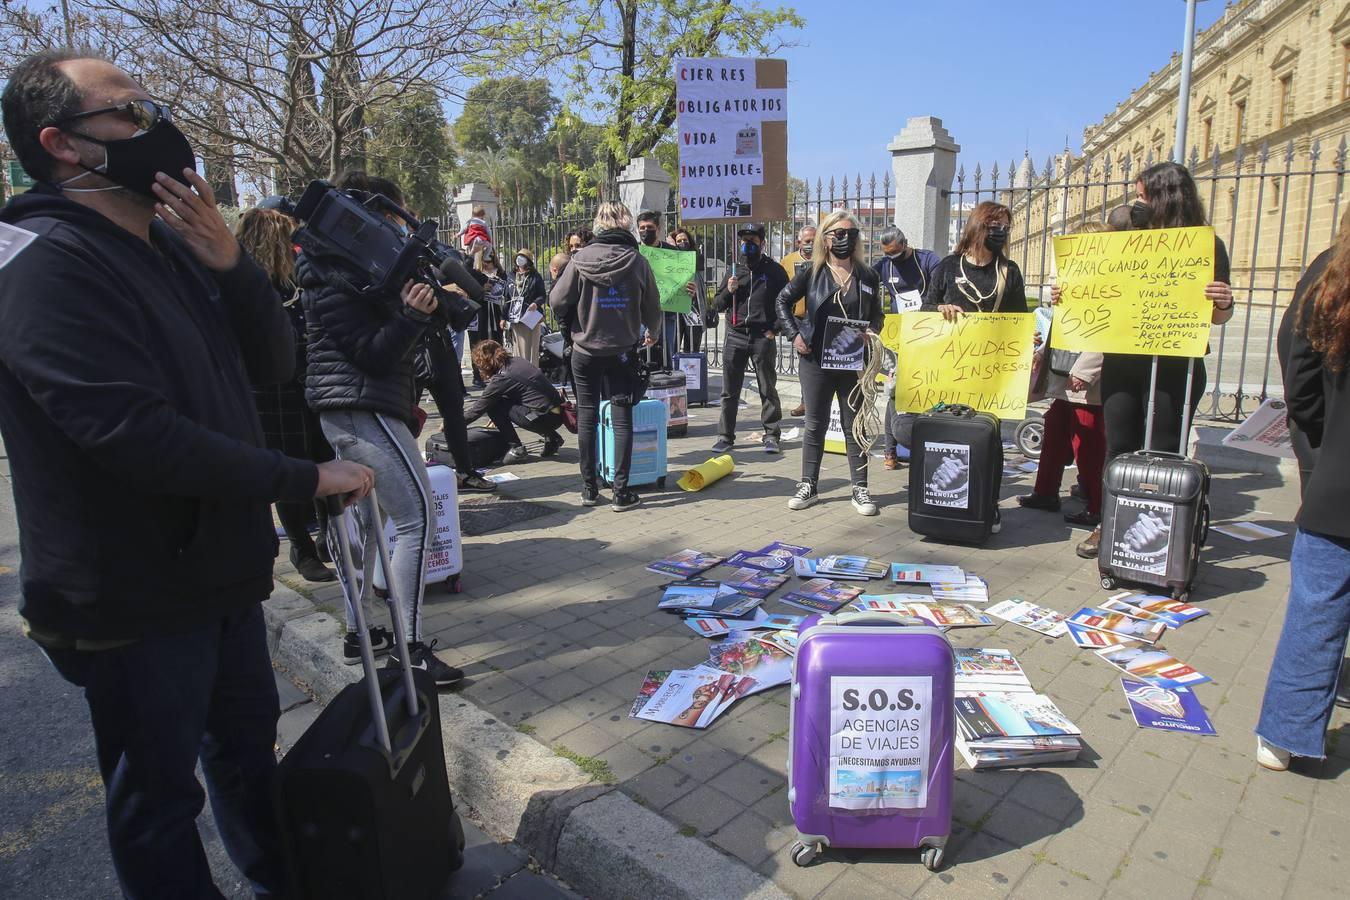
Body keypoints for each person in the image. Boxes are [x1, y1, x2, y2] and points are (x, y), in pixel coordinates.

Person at [0, 50, 373, 898]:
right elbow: (134, 435)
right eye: (130, 114)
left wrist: (229, 264)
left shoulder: (167, 246)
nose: (158, 129)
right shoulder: (41, 263)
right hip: (130, 599)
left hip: (219, 578)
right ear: (61, 143)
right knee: (159, 802)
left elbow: (275, 364)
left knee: (248, 760)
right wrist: (304, 479)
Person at [300, 172, 463, 687]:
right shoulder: (330, 273)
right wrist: (411, 316)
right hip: (359, 407)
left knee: (372, 525)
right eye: (390, 217)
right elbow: (372, 353)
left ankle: (360, 633)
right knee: (415, 519)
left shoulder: (347, 270)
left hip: (360, 406)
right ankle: (409, 653)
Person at [1057, 164, 1235, 558]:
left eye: (1141, 196)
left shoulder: (1207, 246)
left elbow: (1218, 318)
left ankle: (1159, 528)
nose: (1134, 204)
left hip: (1176, 366)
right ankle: (1111, 524)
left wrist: (1222, 301)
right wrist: (1066, 295)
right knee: (1119, 446)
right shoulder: (1123, 240)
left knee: (1164, 450)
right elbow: (1095, 294)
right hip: (1124, 360)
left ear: (1165, 199)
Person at [1255, 213, 1350, 771]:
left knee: (1317, 608)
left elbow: (1301, 374)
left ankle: (1285, 735)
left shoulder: (1327, 278)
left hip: (1337, 479)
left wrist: (1319, 447)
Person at [236, 206, 338, 583]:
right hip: (271, 390)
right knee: (292, 469)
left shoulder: (294, 278)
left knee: (326, 459)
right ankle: (301, 547)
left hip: (309, 380)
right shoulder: (246, 283)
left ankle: (331, 537)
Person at [921, 201, 1030, 533]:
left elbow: (1020, 318)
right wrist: (941, 309)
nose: (1000, 232)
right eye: (994, 225)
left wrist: (1029, 337)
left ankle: (988, 504)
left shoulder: (1008, 271)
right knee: (950, 434)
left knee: (989, 439)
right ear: (976, 226)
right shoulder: (948, 267)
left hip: (991, 370)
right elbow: (925, 308)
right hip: (952, 369)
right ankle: (945, 500)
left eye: (1005, 227)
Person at [549, 200, 662, 511]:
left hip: (585, 350)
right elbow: (653, 306)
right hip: (623, 349)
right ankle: (621, 493)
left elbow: (557, 300)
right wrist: (652, 329)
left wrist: (579, 313)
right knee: (622, 418)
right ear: (626, 225)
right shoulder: (637, 261)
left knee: (587, 415)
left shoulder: (581, 258)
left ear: (597, 225)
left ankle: (588, 489)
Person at [774, 210, 885, 516]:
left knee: (855, 426)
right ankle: (808, 485)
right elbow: (782, 301)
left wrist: (873, 329)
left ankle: (860, 489)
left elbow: (878, 313)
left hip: (852, 362)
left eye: (850, 233)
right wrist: (794, 334)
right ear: (825, 237)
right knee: (815, 425)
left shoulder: (868, 276)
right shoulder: (812, 272)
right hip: (815, 361)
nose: (844, 238)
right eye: (837, 233)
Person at [1020, 221, 1109, 533]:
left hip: (1083, 378)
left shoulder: (1108, 286)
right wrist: (1042, 354)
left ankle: (1098, 506)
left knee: (1088, 444)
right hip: (1063, 372)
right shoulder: (1074, 283)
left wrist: (1086, 371)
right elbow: (1060, 325)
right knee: (1055, 431)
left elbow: (1107, 332)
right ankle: (1045, 492)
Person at [710, 223, 789, 455]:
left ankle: (772, 435)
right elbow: (717, 304)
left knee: (768, 388)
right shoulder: (734, 270)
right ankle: (725, 436)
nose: (748, 245)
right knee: (730, 391)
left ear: (762, 243)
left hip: (762, 337)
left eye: (753, 241)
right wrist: (729, 290)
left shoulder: (774, 271)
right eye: (744, 241)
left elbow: (786, 302)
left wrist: (774, 329)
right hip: (735, 335)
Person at [873, 226, 942, 470]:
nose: (892, 258)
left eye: (895, 252)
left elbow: (941, 286)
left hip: (927, 334)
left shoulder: (928, 259)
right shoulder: (884, 265)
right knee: (894, 391)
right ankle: (889, 452)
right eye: (887, 253)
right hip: (898, 337)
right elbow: (867, 284)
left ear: (905, 244)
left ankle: (924, 447)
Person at [464, 340, 566, 462]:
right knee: (504, 400)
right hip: (558, 413)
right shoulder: (517, 361)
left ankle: (517, 448)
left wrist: (453, 425)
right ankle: (552, 437)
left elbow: (478, 408)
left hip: (544, 418)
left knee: (493, 406)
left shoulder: (502, 378)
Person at [780, 224, 817, 418]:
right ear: (798, 242)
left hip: (818, 319)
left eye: (814, 240)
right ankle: (805, 402)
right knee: (805, 361)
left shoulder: (824, 260)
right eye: (807, 241)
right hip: (798, 318)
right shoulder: (787, 261)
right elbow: (781, 292)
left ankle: (813, 402)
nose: (811, 244)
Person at [470, 244, 509, 385]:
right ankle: (478, 374)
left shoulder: (500, 272)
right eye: (486, 258)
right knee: (479, 342)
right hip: (481, 310)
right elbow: (470, 290)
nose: (488, 261)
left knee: (497, 340)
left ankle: (498, 371)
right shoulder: (476, 273)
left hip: (496, 310)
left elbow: (506, 292)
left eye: (491, 257)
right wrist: (482, 289)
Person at [670, 226, 709, 353]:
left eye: (685, 240)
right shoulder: (670, 260)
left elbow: (699, 281)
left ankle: (691, 372)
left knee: (692, 346)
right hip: (675, 308)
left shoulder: (697, 257)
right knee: (673, 344)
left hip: (694, 307)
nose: (682, 243)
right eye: (679, 241)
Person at [506, 248, 547, 366]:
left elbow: (542, 295)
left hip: (531, 316)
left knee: (532, 345)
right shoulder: (511, 276)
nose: (520, 259)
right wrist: (503, 317)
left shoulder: (535, 276)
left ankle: (532, 370)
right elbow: (507, 297)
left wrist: (535, 303)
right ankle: (520, 371)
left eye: (523, 257)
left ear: (528, 261)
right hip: (516, 316)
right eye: (518, 256)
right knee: (518, 346)